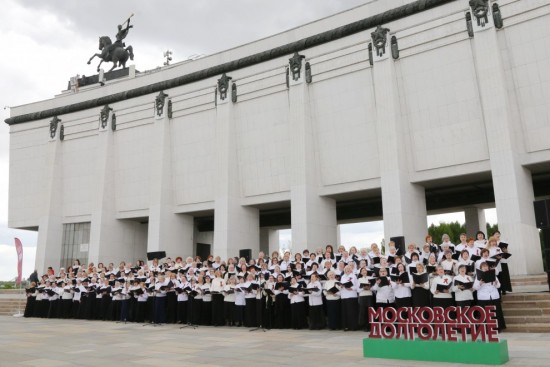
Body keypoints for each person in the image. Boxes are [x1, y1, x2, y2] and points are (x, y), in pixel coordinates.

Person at [474, 262, 506, 331]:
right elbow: (475, 287)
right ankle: (485, 329)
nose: (485, 267)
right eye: (483, 266)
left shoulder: (493, 274)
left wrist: (496, 282)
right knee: (485, 314)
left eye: (486, 266)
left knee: (495, 313)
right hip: (483, 297)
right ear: (481, 268)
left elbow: (499, 286)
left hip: (493, 296)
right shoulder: (478, 276)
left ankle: (496, 328)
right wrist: (480, 283)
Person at [357, 268, 374, 332]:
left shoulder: (370, 278)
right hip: (362, 296)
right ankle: (364, 326)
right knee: (363, 312)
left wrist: (369, 287)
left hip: (369, 296)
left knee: (370, 311)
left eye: (365, 270)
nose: (364, 272)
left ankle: (370, 326)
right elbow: (358, 290)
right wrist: (363, 288)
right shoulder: (359, 279)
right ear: (360, 273)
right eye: (362, 271)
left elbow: (373, 288)